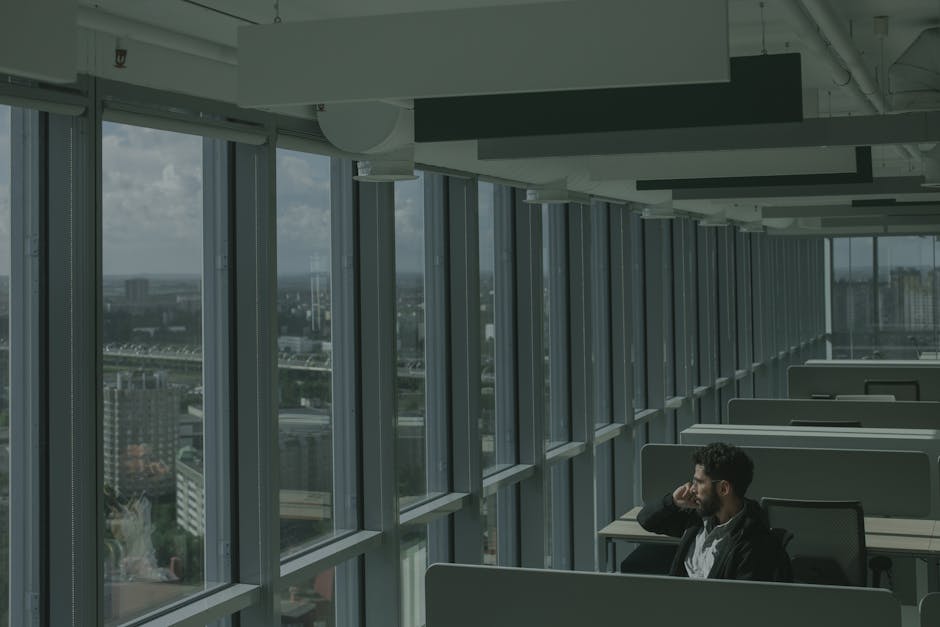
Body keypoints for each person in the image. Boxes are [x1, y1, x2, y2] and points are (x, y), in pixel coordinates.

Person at [621, 442, 792, 582]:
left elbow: (741, 607)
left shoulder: (754, 545)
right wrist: (673, 501)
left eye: (699, 482)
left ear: (724, 488)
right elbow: (646, 520)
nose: (692, 489)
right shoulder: (699, 517)